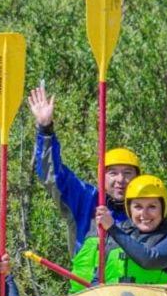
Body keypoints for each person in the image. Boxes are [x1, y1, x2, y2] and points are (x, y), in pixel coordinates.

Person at [28, 83, 139, 255]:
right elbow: (53, 176)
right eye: (113, 173)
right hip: (90, 283)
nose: (120, 180)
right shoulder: (86, 200)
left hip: (129, 283)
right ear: (102, 177)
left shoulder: (147, 210)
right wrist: (45, 129)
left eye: (127, 173)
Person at [72, 174, 167, 289]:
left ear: (163, 209)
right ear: (129, 209)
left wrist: (112, 228)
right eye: (138, 207)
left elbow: (149, 259)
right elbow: (98, 279)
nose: (144, 214)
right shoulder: (117, 234)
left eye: (152, 207)